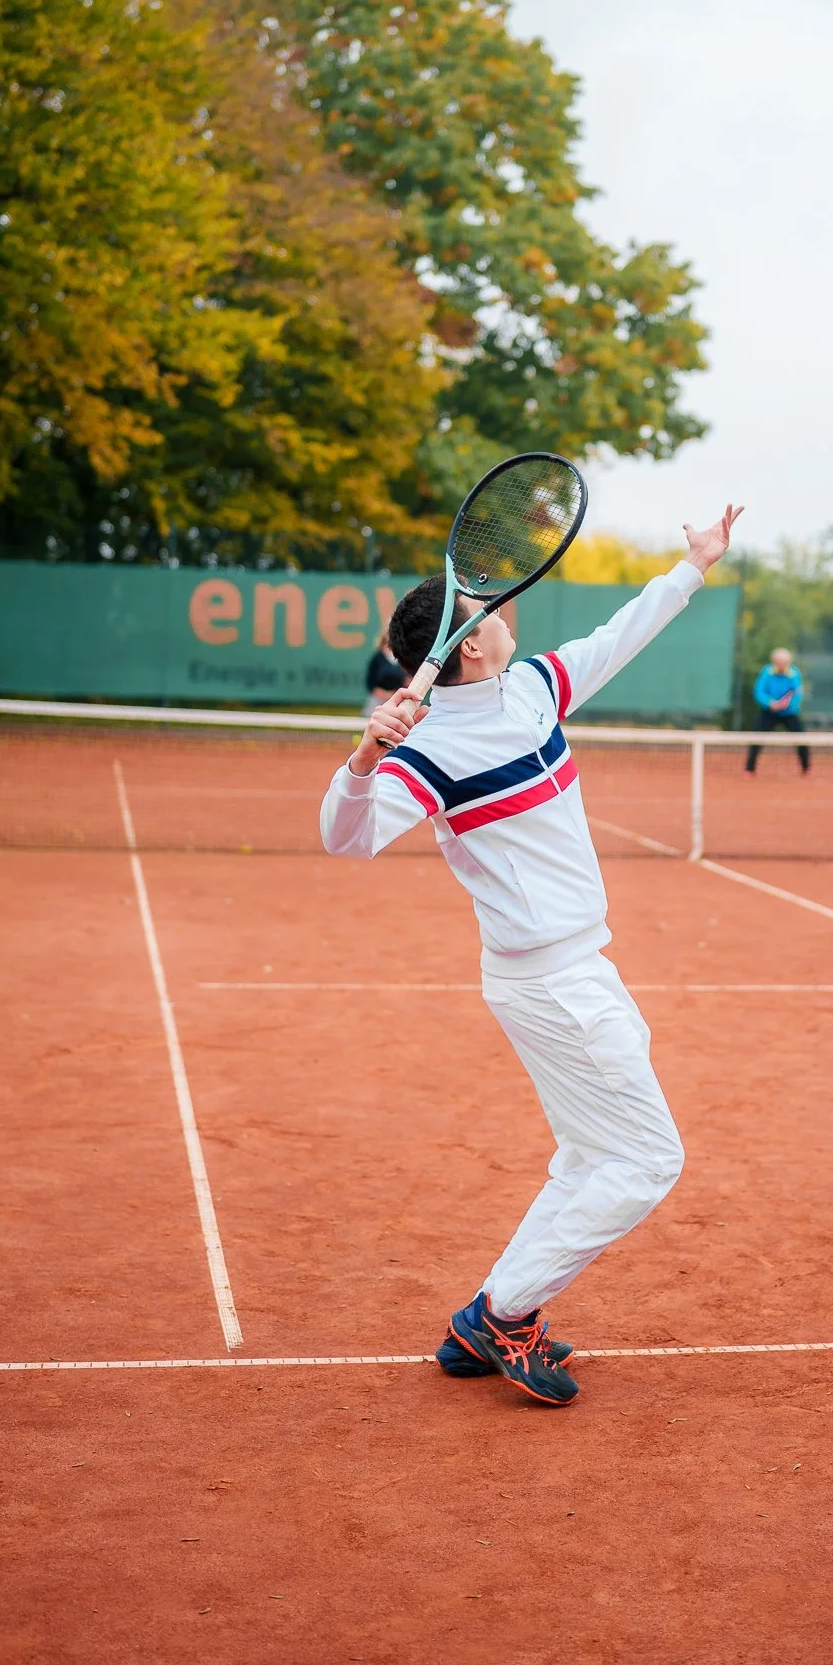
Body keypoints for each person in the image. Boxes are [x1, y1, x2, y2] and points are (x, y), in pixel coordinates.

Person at [318, 503, 742, 1406]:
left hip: (579, 967)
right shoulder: (425, 751)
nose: (507, 609)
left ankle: (488, 1317)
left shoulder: (539, 686)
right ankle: (506, 1313)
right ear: (468, 644)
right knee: (644, 1162)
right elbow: (343, 839)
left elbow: (623, 632)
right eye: (489, 606)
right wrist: (362, 756)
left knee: (591, 1156)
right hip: (546, 981)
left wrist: (696, 566)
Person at [744, 645, 810, 773]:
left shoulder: (794, 674)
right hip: (769, 712)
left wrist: (787, 704)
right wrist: (771, 703)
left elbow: (798, 694)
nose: (781, 665)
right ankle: (749, 769)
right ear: (774, 662)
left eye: (784, 662)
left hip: (789, 713)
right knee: (756, 737)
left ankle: (806, 768)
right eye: (779, 662)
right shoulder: (766, 672)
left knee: (801, 739)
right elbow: (759, 691)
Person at [362, 626, 406, 715]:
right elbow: (370, 684)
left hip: (399, 702)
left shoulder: (404, 656)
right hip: (377, 702)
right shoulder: (377, 658)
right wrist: (386, 695)